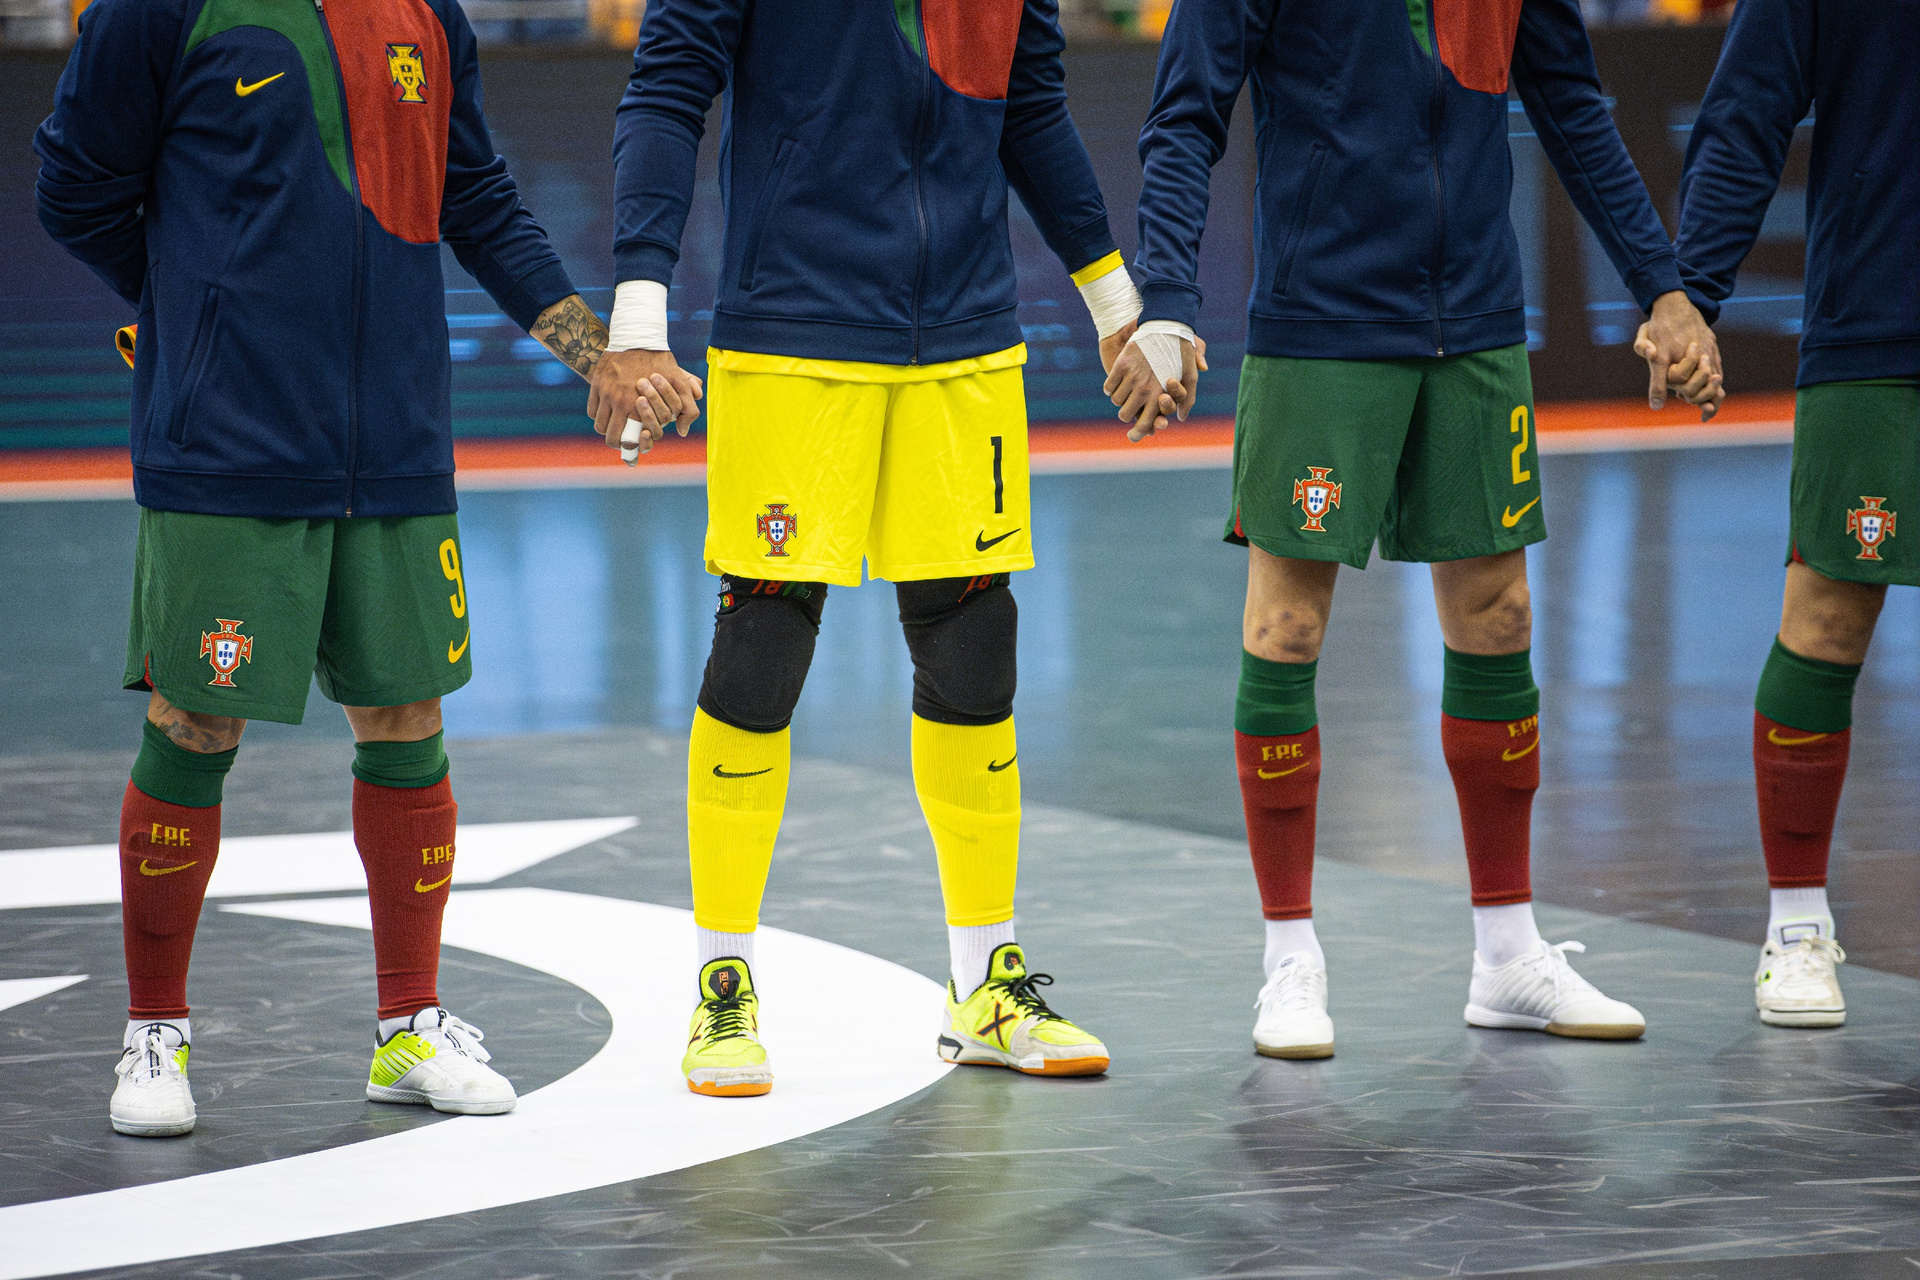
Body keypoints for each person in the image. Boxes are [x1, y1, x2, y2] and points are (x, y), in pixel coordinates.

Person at [36, 0, 608, 1136]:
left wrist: (593, 351)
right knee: (196, 718)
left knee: (406, 711)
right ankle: (154, 1030)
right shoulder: (164, 8)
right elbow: (75, 188)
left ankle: (409, 1025)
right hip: (226, 442)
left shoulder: (427, 11)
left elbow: (476, 196)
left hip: (395, 438)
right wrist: (194, 310)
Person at [1117, 0, 1724, 1058]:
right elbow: (1183, 116)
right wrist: (1167, 297)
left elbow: (1571, 102)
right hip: (1319, 320)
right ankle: (1289, 959)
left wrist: (1661, 288)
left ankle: (1508, 954)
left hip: (1475, 319)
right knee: (1287, 626)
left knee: (1499, 614)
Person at [594, 0, 1139, 1095]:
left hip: (966, 337)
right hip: (792, 331)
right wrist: (637, 320)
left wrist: (1115, 300)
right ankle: (722, 987)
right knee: (764, 641)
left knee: (975, 641)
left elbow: (1030, 107)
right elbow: (665, 90)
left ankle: (985, 987)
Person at [1673, 0, 1917, 1029]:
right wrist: (1689, 291)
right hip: (1878, 315)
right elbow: (1747, 112)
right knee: (1827, 609)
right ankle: (1797, 924)